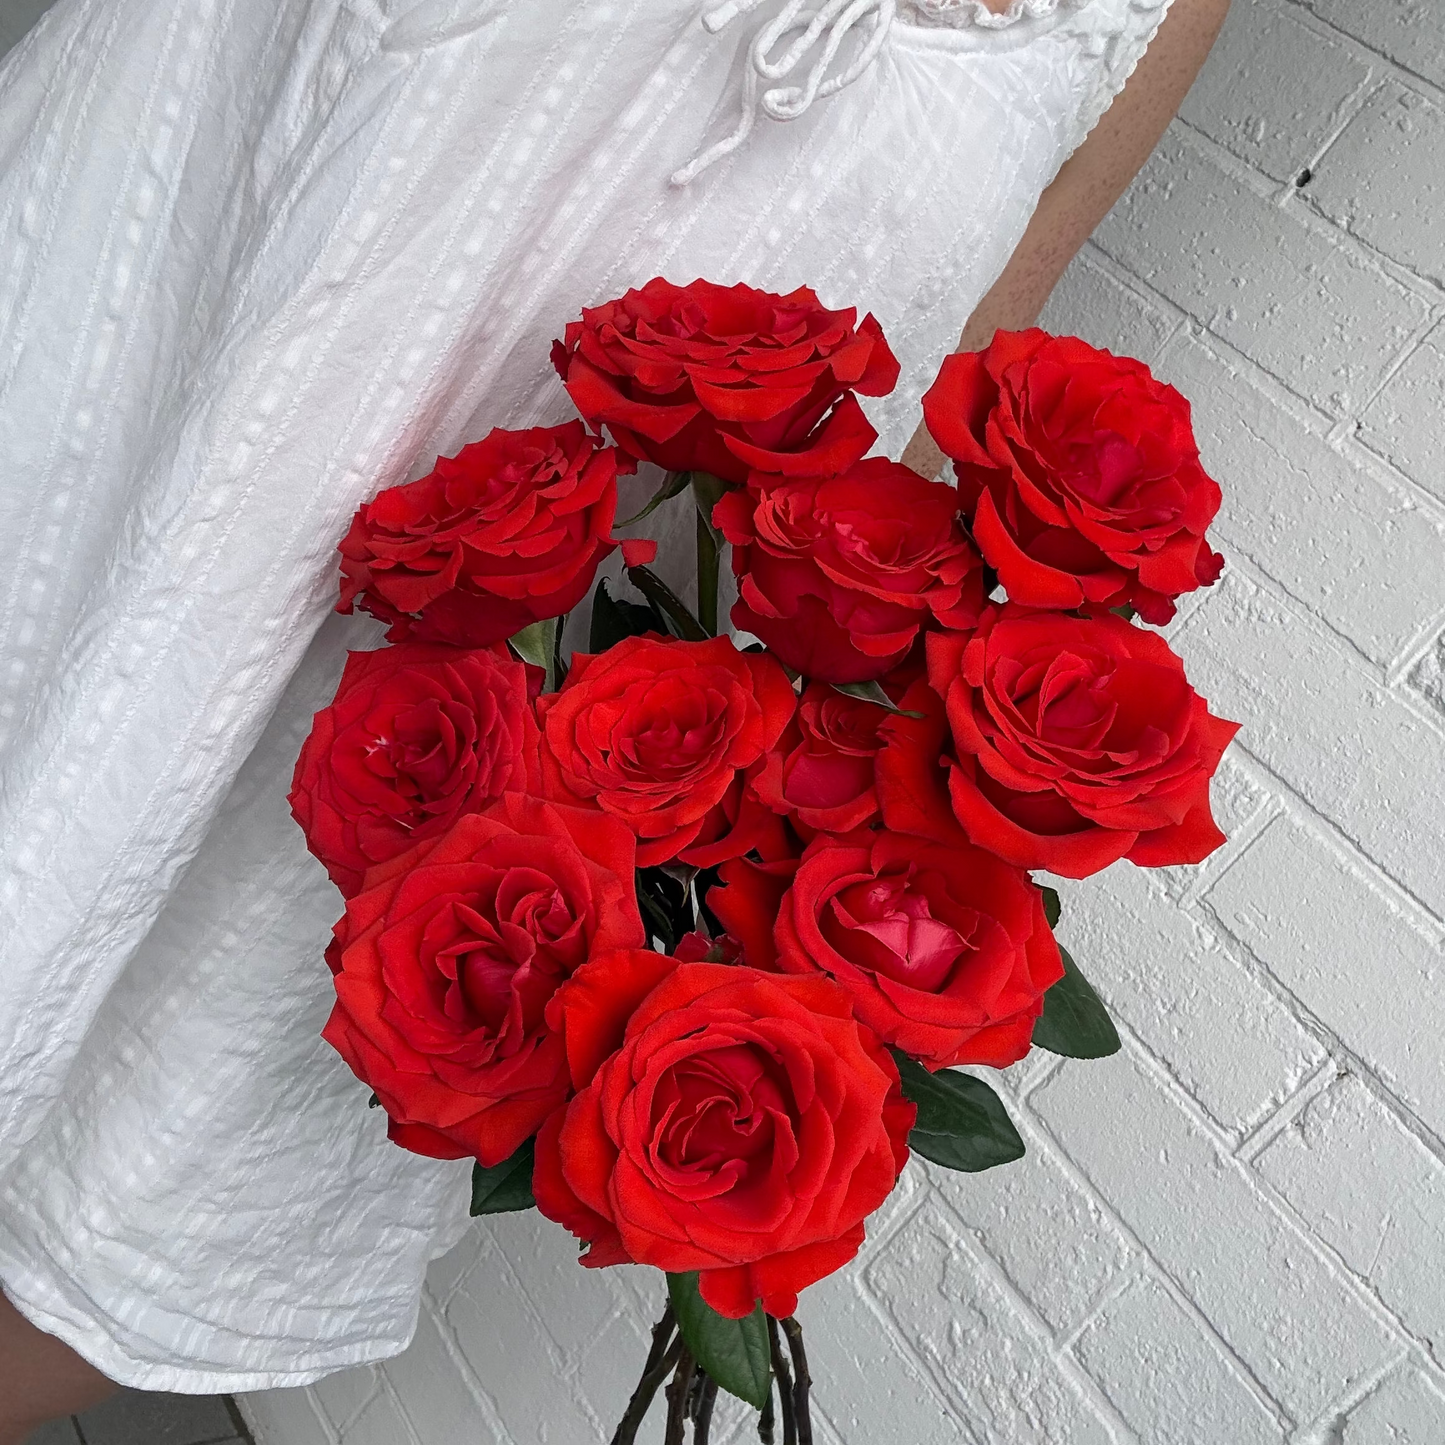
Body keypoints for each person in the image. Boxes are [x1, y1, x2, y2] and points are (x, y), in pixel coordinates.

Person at [0, 0, 1229, 1438]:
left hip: (605, 547)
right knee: (70, 560)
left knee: (260, 1000)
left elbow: (965, 351)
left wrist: (814, 746)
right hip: (308, 169)